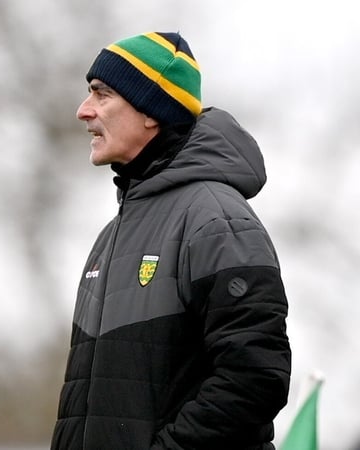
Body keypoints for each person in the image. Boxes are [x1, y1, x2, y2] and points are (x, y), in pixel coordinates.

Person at [51, 32, 292, 450]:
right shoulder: (110, 237)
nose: (83, 111)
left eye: (101, 94)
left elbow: (255, 377)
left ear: (151, 111)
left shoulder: (216, 218)